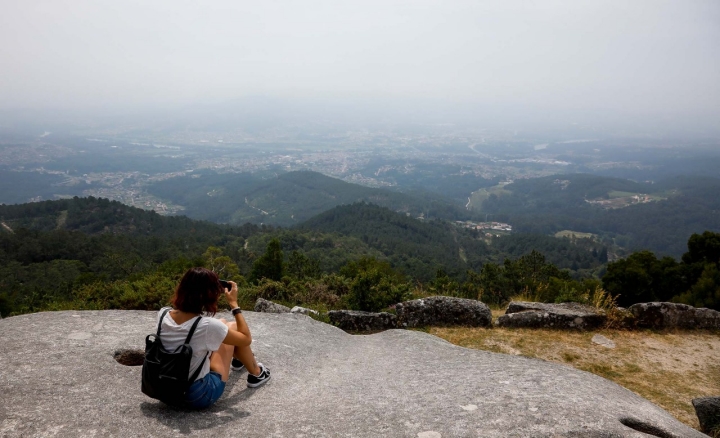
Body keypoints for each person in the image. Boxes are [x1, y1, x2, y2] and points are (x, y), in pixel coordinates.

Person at [156, 267, 270, 409]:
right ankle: (256, 373)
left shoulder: (163, 314)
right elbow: (246, 339)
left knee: (222, 323)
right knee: (232, 327)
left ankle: (240, 359)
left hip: (165, 389)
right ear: (209, 295)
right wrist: (234, 305)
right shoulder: (206, 326)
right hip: (196, 395)